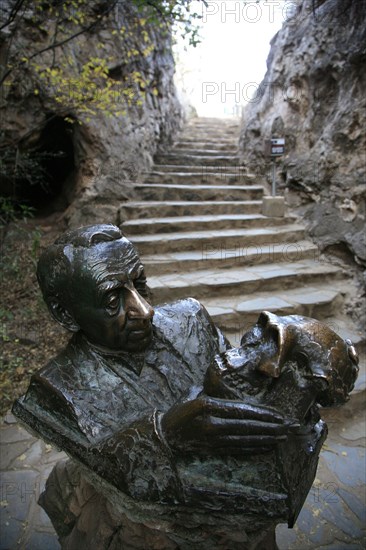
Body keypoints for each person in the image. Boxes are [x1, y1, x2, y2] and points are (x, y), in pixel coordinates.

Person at [13, 223, 295, 505]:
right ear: (65, 314)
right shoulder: (57, 387)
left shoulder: (191, 319)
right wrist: (166, 433)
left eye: (140, 284)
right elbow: (107, 462)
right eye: (113, 300)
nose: (146, 311)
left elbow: (248, 394)